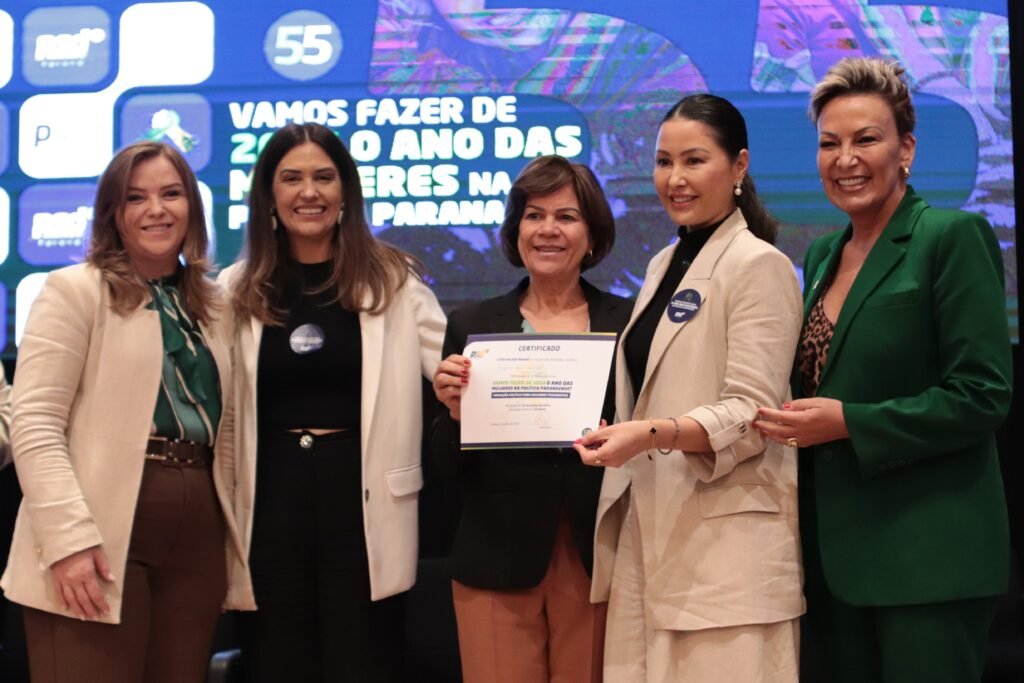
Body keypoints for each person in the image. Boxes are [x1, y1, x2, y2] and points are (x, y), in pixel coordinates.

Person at [755, 57, 1012, 683]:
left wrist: (851, 423)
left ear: (906, 150)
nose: (846, 159)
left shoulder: (950, 236)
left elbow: (982, 396)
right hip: (836, 561)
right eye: (829, 144)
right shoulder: (821, 253)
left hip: (926, 561)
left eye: (866, 139)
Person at [574, 94, 805, 682]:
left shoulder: (760, 265)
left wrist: (651, 433)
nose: (674, 179)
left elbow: (753, 413)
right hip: (649, 537)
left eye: (694, 160)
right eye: (662, 161)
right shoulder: (660, 264)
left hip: (727, 555)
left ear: (739, 166)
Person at [0, 141, 247, 682]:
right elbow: (35, 424)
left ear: (193, 207)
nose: (156, 209)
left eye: (171, 194)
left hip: (197, 534)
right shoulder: (73, 291)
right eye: (136, 197)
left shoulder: (216, 305)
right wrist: (67, 542)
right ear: (113, 213)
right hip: (98, 529)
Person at [219, 122, 446, 682]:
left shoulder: (395, 280)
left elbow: (451, 370)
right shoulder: (233, 288)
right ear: (269, 195)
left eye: (324, 177)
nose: (309, 192)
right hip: (267, 502)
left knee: (362, 661)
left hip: (364, 503)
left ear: (346, 190)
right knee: (275, 660)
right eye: (291, 178)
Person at [431, 155, 631, 683]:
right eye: (533, 214)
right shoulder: (472, 325)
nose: (548, 229)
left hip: (596, 556)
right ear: (515, 230)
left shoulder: (629, 325)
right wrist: (454, 415)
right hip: (495, 557)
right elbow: (443, 470)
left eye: (566, 216)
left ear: (592, 234)